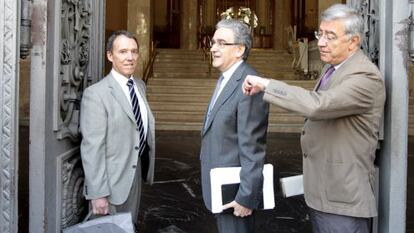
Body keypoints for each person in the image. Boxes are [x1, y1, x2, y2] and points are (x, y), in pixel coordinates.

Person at [242, 4, 385, 233]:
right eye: (320, 33)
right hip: (323, 193)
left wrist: (266, 85)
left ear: (354, 42)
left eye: (330, 36)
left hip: (343, 202)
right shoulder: (333, 69)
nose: (320, 42)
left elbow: (318, 105)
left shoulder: (365, 76)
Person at [79, 30, 155, 227]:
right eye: (122, 52)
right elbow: (92, 147)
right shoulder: (96, 94)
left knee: (129, 227)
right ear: (110, 55)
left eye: (134, 51)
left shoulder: (139, 86)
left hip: (134, 176)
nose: (130, 57)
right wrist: (98, 194)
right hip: (110, 185)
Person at [200, 19, 269, 233]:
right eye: (213, 42)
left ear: (239, 49)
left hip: (235, 195)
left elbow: (253, 147)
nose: (213, 48)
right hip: (221, 188)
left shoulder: (250, 84)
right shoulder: (226, 79)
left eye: (221, 43)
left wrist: (246, 197)